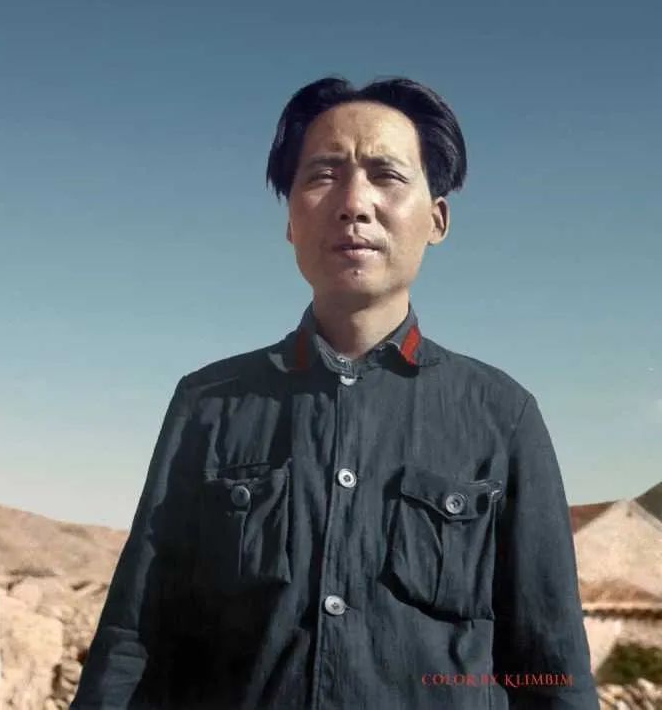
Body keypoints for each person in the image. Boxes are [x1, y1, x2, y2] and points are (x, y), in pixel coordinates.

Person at [71, 76, 600, 709]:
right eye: (323, 174)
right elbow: (135, 637)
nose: (354, 203)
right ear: (291, 220)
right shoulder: (208, 403)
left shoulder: (503, 415)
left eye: (386, 175)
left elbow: (550, 667)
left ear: (437, 219)